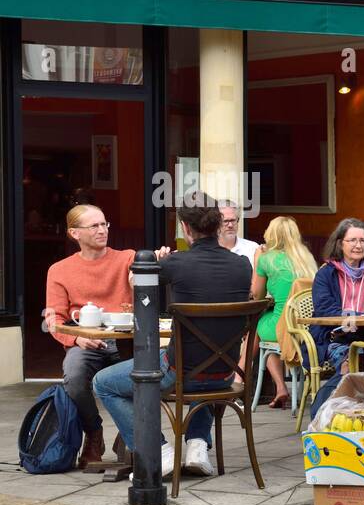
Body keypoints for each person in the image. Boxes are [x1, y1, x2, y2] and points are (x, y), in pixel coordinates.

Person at [93, 197, 253, 478]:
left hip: (182, 372)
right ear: (218, 225)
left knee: (103, 382)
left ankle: (160, 451)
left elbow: (137, 287)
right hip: (226, 373)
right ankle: (197, 447)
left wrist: (154, 262)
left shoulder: (176, 263)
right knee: (204, 355)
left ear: (184, 228)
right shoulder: (242, 265)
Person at [44, 205, 134, 468]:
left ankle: (127, 434)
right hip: (86, 342)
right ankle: (93, 433)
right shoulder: (59, 270)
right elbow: (53, 319)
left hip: (126, 342)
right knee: (73, 375)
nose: (102, 230)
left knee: (147, 373)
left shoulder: (126, 258)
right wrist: (76, 340)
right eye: (94, 226)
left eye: (104, 224)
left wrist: (149, 266)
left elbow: (148, 274)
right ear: (74, 233)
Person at [251, 216, 318, 409]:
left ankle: (277, 386)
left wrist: (257, 260)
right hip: (305, 326)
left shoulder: (266, 258)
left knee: (257, 324)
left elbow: (257, 295)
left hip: (283, 327)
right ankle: (240, 376)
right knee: (268, 324)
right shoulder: (306, 257)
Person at [309, 218, 364, 372]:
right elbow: (325, 309)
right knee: (349, 359)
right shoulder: (325, 275)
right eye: (352, 240)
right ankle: (347, 388)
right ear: (340, 244)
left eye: (362, 241)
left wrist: (356, 319)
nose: (358, 245)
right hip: (333, 336)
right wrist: (360, 316)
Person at [218, 201, 260, 266]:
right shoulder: (208, 250)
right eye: (225, 221)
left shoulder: (253, 248)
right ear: (217, 222)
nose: (230, 225)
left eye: (233, 220)